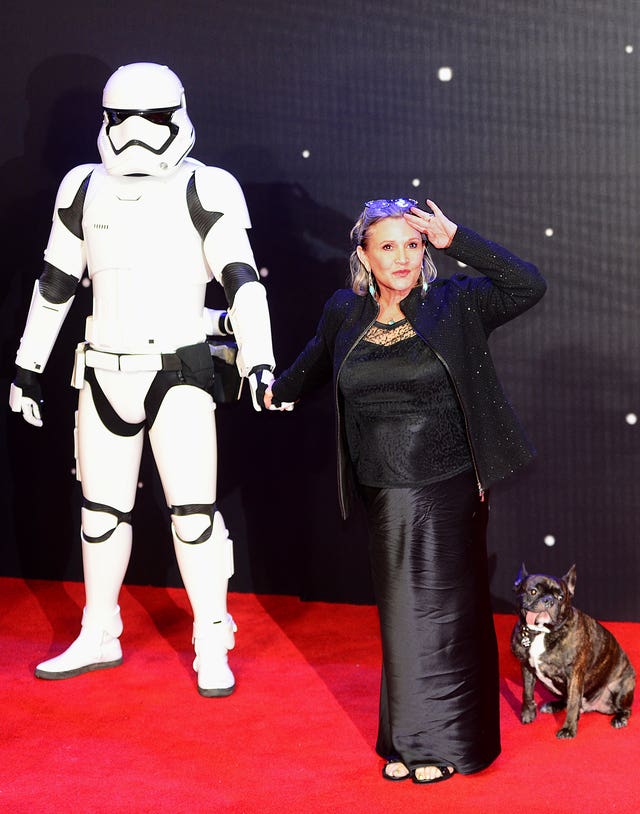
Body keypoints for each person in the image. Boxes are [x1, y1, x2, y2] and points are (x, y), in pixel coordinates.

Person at [9, 62, 276, 697]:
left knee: (193, 515)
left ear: (177, 116)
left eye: (151, 119)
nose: (134, 135)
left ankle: (213, 635)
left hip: (179, 371)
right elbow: (55, 283)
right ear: (102, 121)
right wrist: (26, 366)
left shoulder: (206, 187)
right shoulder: (81, 187)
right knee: (100, 513)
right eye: (120, 120)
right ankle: (99, 628)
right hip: (101, 368)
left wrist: (261, 355)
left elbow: (242, 281)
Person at [265, 197, 546, 783]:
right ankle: (408, 737)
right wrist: (275, 388)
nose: (402, 257)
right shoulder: (344, 310)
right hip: (381, 487)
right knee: (402, 615)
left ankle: (441, 746)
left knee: (442, 613)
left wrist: (457, 239)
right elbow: (316, 362)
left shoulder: (456, 303)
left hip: (445, 483)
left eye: (412, 245)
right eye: (387, 246)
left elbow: (527, 284)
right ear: (363, 256)